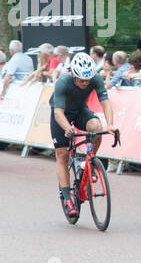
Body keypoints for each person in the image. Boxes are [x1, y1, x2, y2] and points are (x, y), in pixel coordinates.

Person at [50, 52, 117, 218]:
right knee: (63, 156)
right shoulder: (63, 82)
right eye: (81, 80)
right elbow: (58, 112)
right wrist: (67, 127)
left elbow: (106, 103)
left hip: (80, 111)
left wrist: (110, 124)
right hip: (61, 114)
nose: (85, 83)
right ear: (73, 73)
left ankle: (90, 161)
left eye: (87, 80)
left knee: (97, 127)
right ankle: (67, 198)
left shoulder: (95, 79)